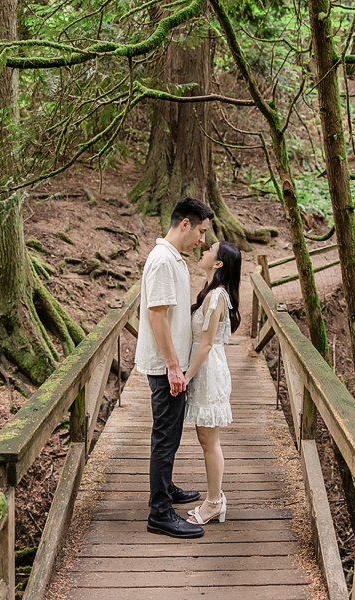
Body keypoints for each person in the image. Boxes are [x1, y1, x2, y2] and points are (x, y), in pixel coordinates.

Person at [135, 197, 215, 539]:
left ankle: (165, 488)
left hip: (175, 363)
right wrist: (172, 367)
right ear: (185, 224)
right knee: (166, 438)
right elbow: (157, 315)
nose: (202, 239)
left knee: (171, 434)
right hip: (166, 365)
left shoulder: (175, 259)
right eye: (200, 230)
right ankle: (160, 512)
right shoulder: (163, 262)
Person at [182, 241, 242, 525]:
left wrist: (186, 378)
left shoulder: (217, 297)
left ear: (218, 264)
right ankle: (214, 499)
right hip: (203, 369)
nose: (203, 251)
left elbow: (205, 345)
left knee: (209, 441)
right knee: (206, 439)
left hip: (207, 372)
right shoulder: (210, 293)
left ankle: (214, 502)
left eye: (209, 251)